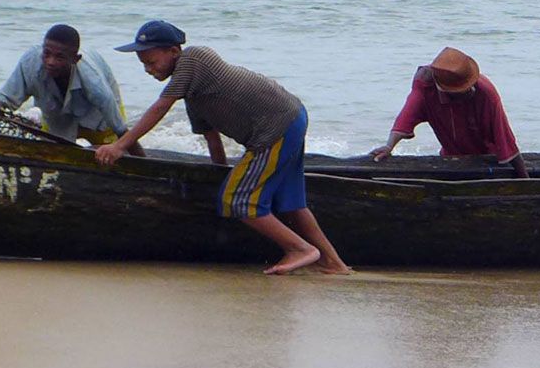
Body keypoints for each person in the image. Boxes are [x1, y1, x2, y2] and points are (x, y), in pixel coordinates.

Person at [94, 20, 350, 275]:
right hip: (291, 118)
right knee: (291, 203)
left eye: (151, 62)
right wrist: (220, 172)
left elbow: (160, 107)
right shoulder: (194, 95)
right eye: (144, 65)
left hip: (276, 126)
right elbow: (212, 138)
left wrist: (119, 146)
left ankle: (300, 249)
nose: (148, 70)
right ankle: (333, 263)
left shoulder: (194, 59)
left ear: (173, 51)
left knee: (238, 200)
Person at [368, 47, 527, 178]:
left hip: (487, 161)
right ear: (444, 90)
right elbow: (405, 119)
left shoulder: (486, 94)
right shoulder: (425, 89)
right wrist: (389, 146)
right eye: (462, 90)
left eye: (470, 85)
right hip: (451, 158)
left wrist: (525, 181)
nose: (470, 91)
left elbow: (505, 139)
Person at [0, 24, 139, 153]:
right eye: (47, 54)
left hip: (98, 120)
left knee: (106, 156)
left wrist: (144, 163)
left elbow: (122, 132)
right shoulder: (30, 64)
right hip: (57, 117)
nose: (50, 62)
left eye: (59, 57)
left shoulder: (94, 83)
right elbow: (4, 101)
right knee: (53, 153)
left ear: (75, 59)